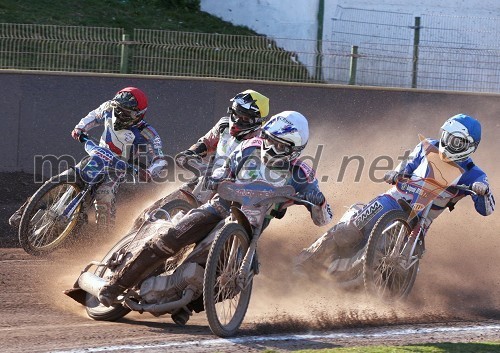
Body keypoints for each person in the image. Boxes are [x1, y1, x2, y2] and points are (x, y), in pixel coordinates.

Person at [97, 111, 334, 317]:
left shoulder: (303, 173)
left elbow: (324, 219)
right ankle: (115, 286)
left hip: (251, 227)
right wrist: (216, 176)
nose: (271, 148)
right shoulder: (249, 146)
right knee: (170, 238)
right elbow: (224, 168)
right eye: (270, 140)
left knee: (234, 283)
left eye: (281, 146)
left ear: (295, 150)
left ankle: (185, 306)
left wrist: (318, 201)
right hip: (220, 207)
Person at [295, 113, 495, 275]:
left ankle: (371, 289)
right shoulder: (426, 147)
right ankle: (304, 263)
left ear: (469, 146)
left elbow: (487, 209)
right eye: (446, 136)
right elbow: (407, 164)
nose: (448, 143)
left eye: (456, 142)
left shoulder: (474, 174)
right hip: (394, 200)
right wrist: (396, 172)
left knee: (400, 265)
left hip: (421, 220)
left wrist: (483, 191)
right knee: (347, 231)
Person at [129, 89, 270, 230]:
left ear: (257, 121)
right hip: (209, 178)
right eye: (236, 114)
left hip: (237, 192)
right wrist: (190, 153)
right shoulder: (223, 125)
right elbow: (206, 142)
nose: (238, 120)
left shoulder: (263, 141)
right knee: (158, 206)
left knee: (242, 229)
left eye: (245, 118)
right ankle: (135, 231)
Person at [70, 86, 167, 228]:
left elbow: (160, 159)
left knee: (104, 194)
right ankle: (44, 204)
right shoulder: (109, 108)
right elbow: (94, 115)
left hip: (118, 167)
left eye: (125, 113)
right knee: (75, 176)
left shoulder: (147, 132)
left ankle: (103, 233)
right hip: (98, 155)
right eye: (118, 109)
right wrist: (80, 128)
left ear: (138, 114)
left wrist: (149, 172)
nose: (119, 114)